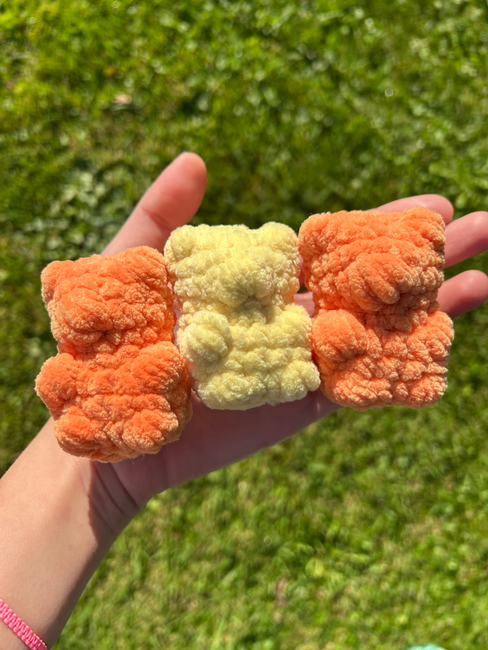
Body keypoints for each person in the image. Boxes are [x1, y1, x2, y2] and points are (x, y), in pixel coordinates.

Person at [1, 152, 487, 649]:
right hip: (147, 396)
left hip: (306, 364)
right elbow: (146, 363)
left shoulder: (300, 316)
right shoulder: (172, 326)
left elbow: (319, 333)